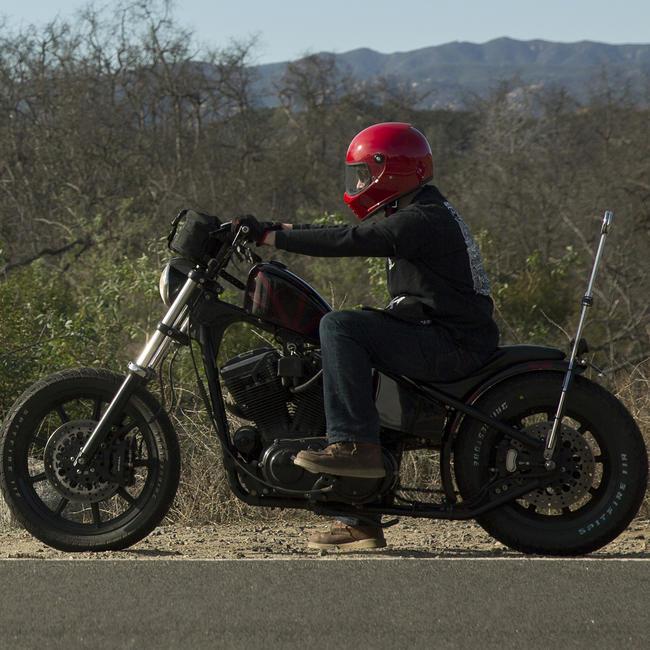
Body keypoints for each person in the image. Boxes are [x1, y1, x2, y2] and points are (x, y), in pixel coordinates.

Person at [234, 122, 499, 551]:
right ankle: (359, 518)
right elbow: (340, 231)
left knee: (339, 325)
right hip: (439, 333)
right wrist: (271, 227)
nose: (358, 184)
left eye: (363, 173)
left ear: (389, 171)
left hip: (450, 343)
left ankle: (353, 448)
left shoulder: (421, 219)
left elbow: (348, 239)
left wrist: (272, 236)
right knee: (358, 368)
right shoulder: (417, 211)